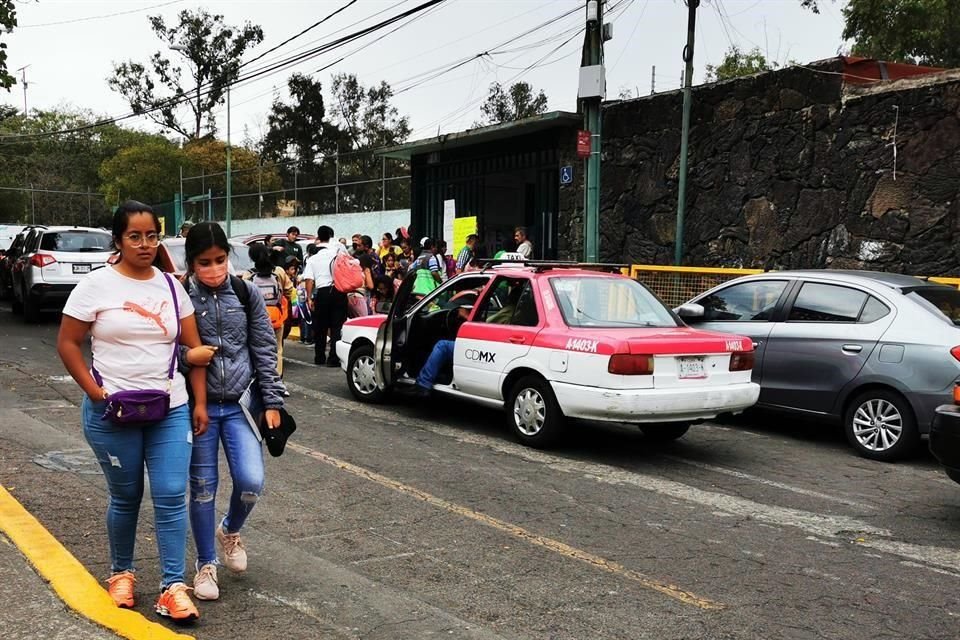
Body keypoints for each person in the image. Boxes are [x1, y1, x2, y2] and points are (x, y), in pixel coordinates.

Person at [56, 200, 207, 622]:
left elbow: (194, 352)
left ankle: (173, 587)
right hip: (112, 412)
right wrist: (95, 392)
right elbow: (68, 343)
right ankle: (121, 573)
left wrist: (199, 403)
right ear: (118, 240)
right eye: (134, 236)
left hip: (170, 408)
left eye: (151, 236)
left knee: (172, 495)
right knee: (126, 497)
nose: (144, 244)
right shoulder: (96, 286)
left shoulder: (173, 286)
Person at [180, 222, 285, 603]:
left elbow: (263, 350)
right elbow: (168, 351)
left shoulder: (246, 293)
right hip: (200, 408)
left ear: (229, 257)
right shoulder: (178, 296)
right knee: (203, 489)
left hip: (241, 405)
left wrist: (272, 403)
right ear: (191, 263)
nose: (213, 268)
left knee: (251, 481)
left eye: (220, 260)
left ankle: (230, 530)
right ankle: (206, 563)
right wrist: (187, 356)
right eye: (204, 262)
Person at [242, 244, 296, 378]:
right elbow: (290, 291)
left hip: (256, 319)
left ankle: (259, 376)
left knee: (255, 348)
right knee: (277, 349)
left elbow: (243, 298)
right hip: (276, 317)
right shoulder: (278, 272)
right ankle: (276, 378)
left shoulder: (248, 275)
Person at [303, 225, 348, 367]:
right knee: (336, 326)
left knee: (320, 327)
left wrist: (309, 298)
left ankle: (319, 357)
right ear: (330, 236)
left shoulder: (313, 259)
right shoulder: (337, 252)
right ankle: (334, 358)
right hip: (339, 291)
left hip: (322, 293)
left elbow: (309, 280)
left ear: (318, 237)